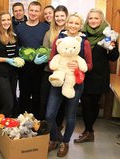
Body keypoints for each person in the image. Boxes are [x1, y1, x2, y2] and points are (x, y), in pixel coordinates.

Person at [46, 13, 93, 157]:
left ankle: (65, 142)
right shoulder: (59, 39)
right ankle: (54, 138)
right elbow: (51, 60)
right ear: (67, 23)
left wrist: (77, 67)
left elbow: (89, 65)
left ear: (80, 25)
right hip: (58, 81)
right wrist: (57, 66)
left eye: (76, 23)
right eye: (70, 22)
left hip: (75, 83)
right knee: (49, 115)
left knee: (71, 115)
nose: (73, 25)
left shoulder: (84, 42)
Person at [74, 8, 119, 143]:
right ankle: (89, 130)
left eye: (96, 18)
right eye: (91, 18)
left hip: (99, 77)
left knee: (94, 104)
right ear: (87, 20)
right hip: (84, 74)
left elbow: (114, 57)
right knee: (86, 103)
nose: (93, 21)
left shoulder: (108, 34)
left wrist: (112, 46)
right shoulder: (82, 34)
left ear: (101, 20)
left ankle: (89, 131)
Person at [15, 1, 49, 118]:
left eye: (36, 11)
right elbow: (16, 45)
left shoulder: (46, 28)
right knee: (24, 95)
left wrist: (43, 57)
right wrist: (21, 51)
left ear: (40, 13)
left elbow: (49, 46)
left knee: (38, 96)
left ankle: (36, 123)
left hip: (41, 68)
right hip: (24, 68)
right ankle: (23, 121)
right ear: (27, 11)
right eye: (31, 10)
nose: (33, 13)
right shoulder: (19, 28)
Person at [40, 5, 68, 140]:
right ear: (54, 17)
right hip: (49, 72)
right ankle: (50, 133)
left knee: (61, 104)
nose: (59, 18)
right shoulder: (48, 32)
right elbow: (44, 50)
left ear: (66, 16)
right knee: (46, 101)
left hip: (65, 74)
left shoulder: (71, 32)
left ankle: (57, 131)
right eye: (57, 16)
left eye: (62, 15)